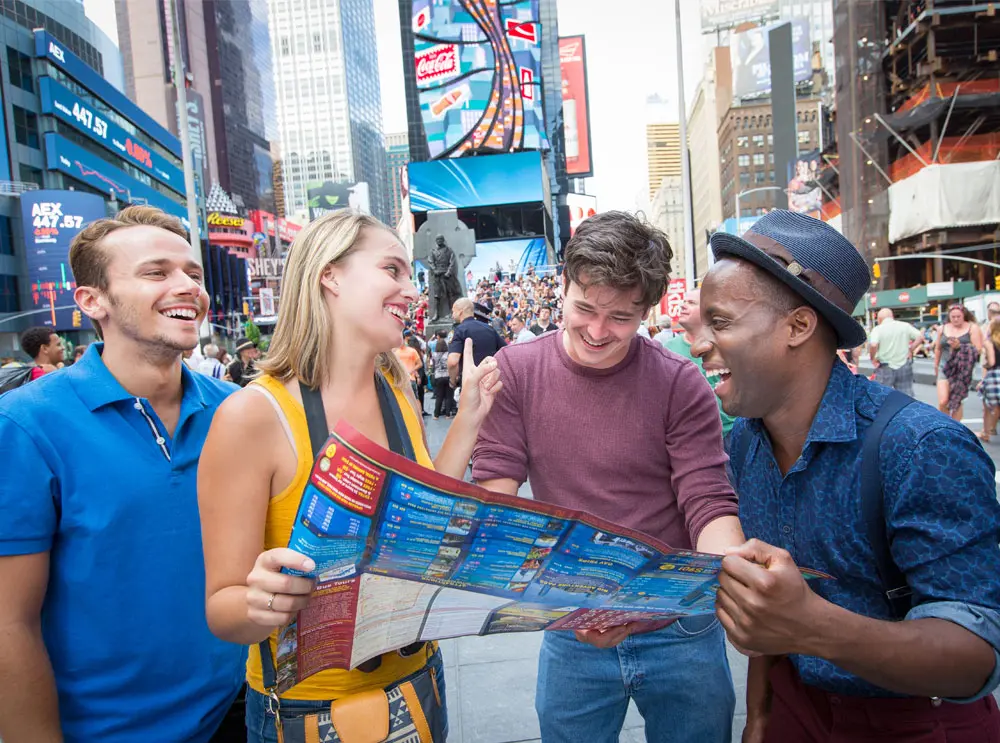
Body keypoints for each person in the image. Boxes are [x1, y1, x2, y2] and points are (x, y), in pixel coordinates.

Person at [692, 210, 1000, 742]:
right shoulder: (742, 444)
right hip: (796, 707)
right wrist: (761, 713)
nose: (699, 344)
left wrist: (811, 626)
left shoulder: (923, 448)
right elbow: (769, 599)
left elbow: (975, 657)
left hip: (917, 721)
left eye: (719, 322)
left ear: (798, 326)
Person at [197, 210, 502, 743]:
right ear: (329, 276)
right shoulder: (253, 415)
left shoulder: (397, 389)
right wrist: (262, 597)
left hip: (418, 686)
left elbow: (429, 507)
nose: (412, 289)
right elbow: (224, 613)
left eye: (411, 275)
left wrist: (471, 414)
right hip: (306, 714)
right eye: (393, 270)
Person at [473, 211, 741, 743]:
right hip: (571, 619)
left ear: (647, 310)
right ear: (563, 287)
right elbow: (496, 488)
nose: (598, 332)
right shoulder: (517, 371)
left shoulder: (679, 382)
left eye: (621, 317)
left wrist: (734, 574)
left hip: (678, 622)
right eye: (584, 309)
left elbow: (706, 499)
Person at [0, 207, 246, 742]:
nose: (187, 287)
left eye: (193, 274)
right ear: (93, 300)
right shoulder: (25, 424)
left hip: (245, 713)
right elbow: (7, 625)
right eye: (156, 273)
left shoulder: (240, 410)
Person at [664, 288, 736, 452]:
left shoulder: (727, 346)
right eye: (683, 302)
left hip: (729, 435)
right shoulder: (666, 349)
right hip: (690, 440)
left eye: (691, 303)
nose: (683, 306)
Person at [934, 304, 983, 421]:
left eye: (958, 316)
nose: (956, 319)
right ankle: (943, 425)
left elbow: (978, 349)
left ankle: (956, 428)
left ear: (964, 316)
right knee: (943, 400)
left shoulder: (972, 328)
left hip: (962, 368)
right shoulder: (943, 328)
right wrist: (935, 364)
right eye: (953, 317)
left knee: (956, 401)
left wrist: (960, 346)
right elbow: (938, 348)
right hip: (945, 365)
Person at [448, 297, 506, 388]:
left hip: (470, 382)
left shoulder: (460, 330)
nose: (452, 315)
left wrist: (452, 380)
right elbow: (505, 350)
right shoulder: (489, 328)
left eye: (453, 311)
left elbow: (452, 361)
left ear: (460, 311)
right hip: (490, 380)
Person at [868, 308, 923, 396]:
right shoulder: (905, 326)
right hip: (904, 364)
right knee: (906, 395)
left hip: (885, 366)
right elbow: (920, 336)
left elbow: (874, 344)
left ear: (879, 319)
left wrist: (873, 358)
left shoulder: (878, 329)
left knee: (882, 396)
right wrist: (910, 350)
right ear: (892, 316)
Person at [979, 320, 1000, 443]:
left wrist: (985, 365)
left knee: (987, 405)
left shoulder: (989, 342)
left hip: (994, 375)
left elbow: (991, 362)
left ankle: (987, 431)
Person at [431, 336, 456, 419]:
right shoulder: (448, 354)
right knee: (448, 396)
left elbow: (432, 365)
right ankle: (447, 414)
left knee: (439, 396)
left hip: (438, 376)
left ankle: (436, 415)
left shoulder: (434, 355)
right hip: (447, 375)